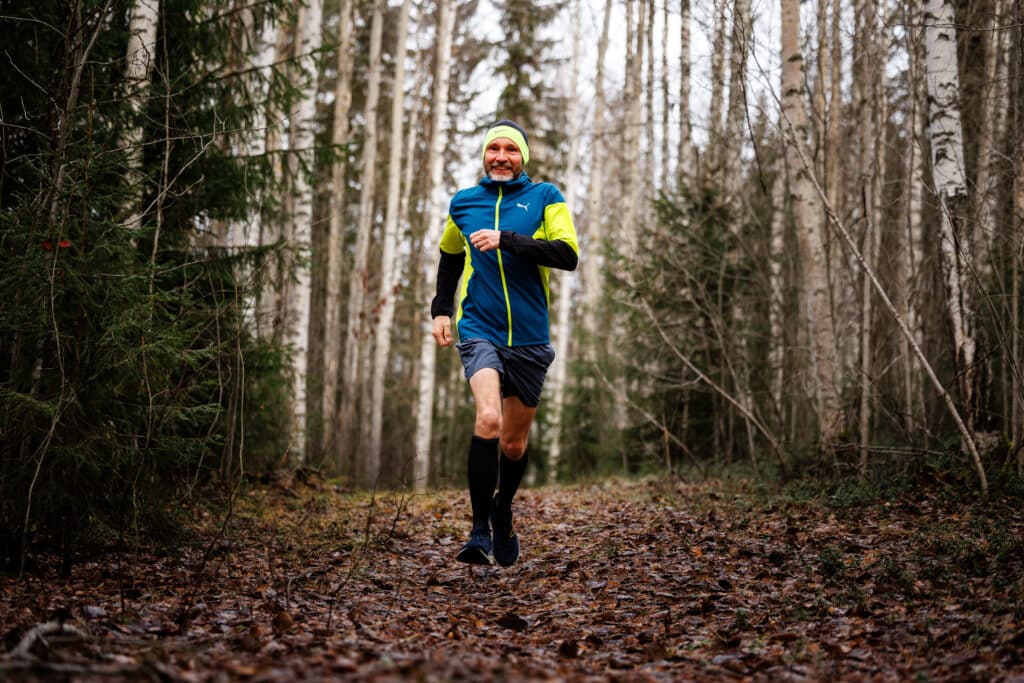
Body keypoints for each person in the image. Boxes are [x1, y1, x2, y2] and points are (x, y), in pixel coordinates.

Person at [430, 120, 579, 567]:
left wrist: (508, 241)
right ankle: (478, 532)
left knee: (514, 446)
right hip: (480, 328)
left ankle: (503, 509)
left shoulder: (545, 197)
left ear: (522, 158)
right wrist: (441, 309)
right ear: (484, 154)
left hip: (531, 338)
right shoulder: (464, 203)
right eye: (493, 148)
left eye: (510, 150)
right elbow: (450, 259)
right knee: (488, 418)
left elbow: (567, 254)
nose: (500, 156)